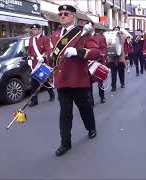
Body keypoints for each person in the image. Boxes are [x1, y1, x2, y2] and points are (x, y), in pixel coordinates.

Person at [49, 5, 101, 156]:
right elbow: (52, 56)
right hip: (62, 80)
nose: (62, 16)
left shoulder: (81, 32)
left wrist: (78, 52)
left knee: (84, 107)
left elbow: (96, 53)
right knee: (65, 112)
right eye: (60, 14)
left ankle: (91, 127)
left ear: (73, 16)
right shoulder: (55, 36)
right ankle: (65, 143)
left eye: (65, 13)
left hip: (78, 79)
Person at [27, 24, 55, 107]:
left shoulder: (45, 38)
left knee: (44, 80)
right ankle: (34, 101)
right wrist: (29, 58)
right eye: (33, 29)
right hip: (34, 64)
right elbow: (29, 50)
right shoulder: (31, 39)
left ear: (40, 30)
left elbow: (48, 50)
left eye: (35, 29)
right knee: (34, 83)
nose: (34, 31)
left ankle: (52, 94)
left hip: (42, 63)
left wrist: (43, 57)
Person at [86, 21, 107, 105]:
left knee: (100, 80)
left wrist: (101, 55)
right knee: (88, 82)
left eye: (90, 26)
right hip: (88, 63)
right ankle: (91, 101)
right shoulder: (84, 37)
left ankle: (102, 97)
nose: (89, 28)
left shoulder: (100, 37)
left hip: (98, 61)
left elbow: (104, 48)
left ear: (93, 27)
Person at [107, 26, 126, 91]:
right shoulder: (110, 37)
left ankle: (122, 83)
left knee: (121, 72)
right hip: (112, 58)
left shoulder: (121, 36)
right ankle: (113, 86)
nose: (116, 31)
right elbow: (108, 44)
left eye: (117, 30)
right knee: (113, 73)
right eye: (114, 30)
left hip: (120, 58)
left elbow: (124, 39)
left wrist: (119, 34)